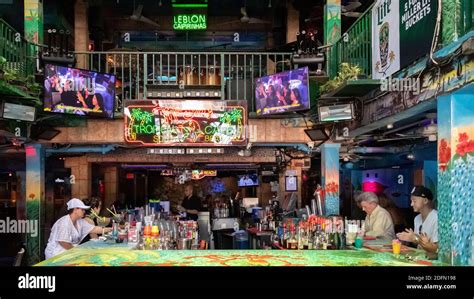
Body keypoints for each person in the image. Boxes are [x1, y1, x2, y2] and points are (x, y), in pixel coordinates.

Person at [44, 198, 112, 259]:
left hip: (68, 253)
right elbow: (63, 242)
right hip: (55, 255)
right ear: (75, 209)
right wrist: (77, 251)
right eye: (82, 209)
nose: (84, 211)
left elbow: (94, 229)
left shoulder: (80, 221)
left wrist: (111, 229)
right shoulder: (64, 222)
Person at [396, 186, 438, 255]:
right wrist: (409, 239)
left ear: (425, 201)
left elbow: (437, 249)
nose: (411, 204)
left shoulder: (436, 218)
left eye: (414, 201)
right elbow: (417, 243)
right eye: (411, 201)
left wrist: (416, 239)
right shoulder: (417, 218)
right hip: (420, 256)